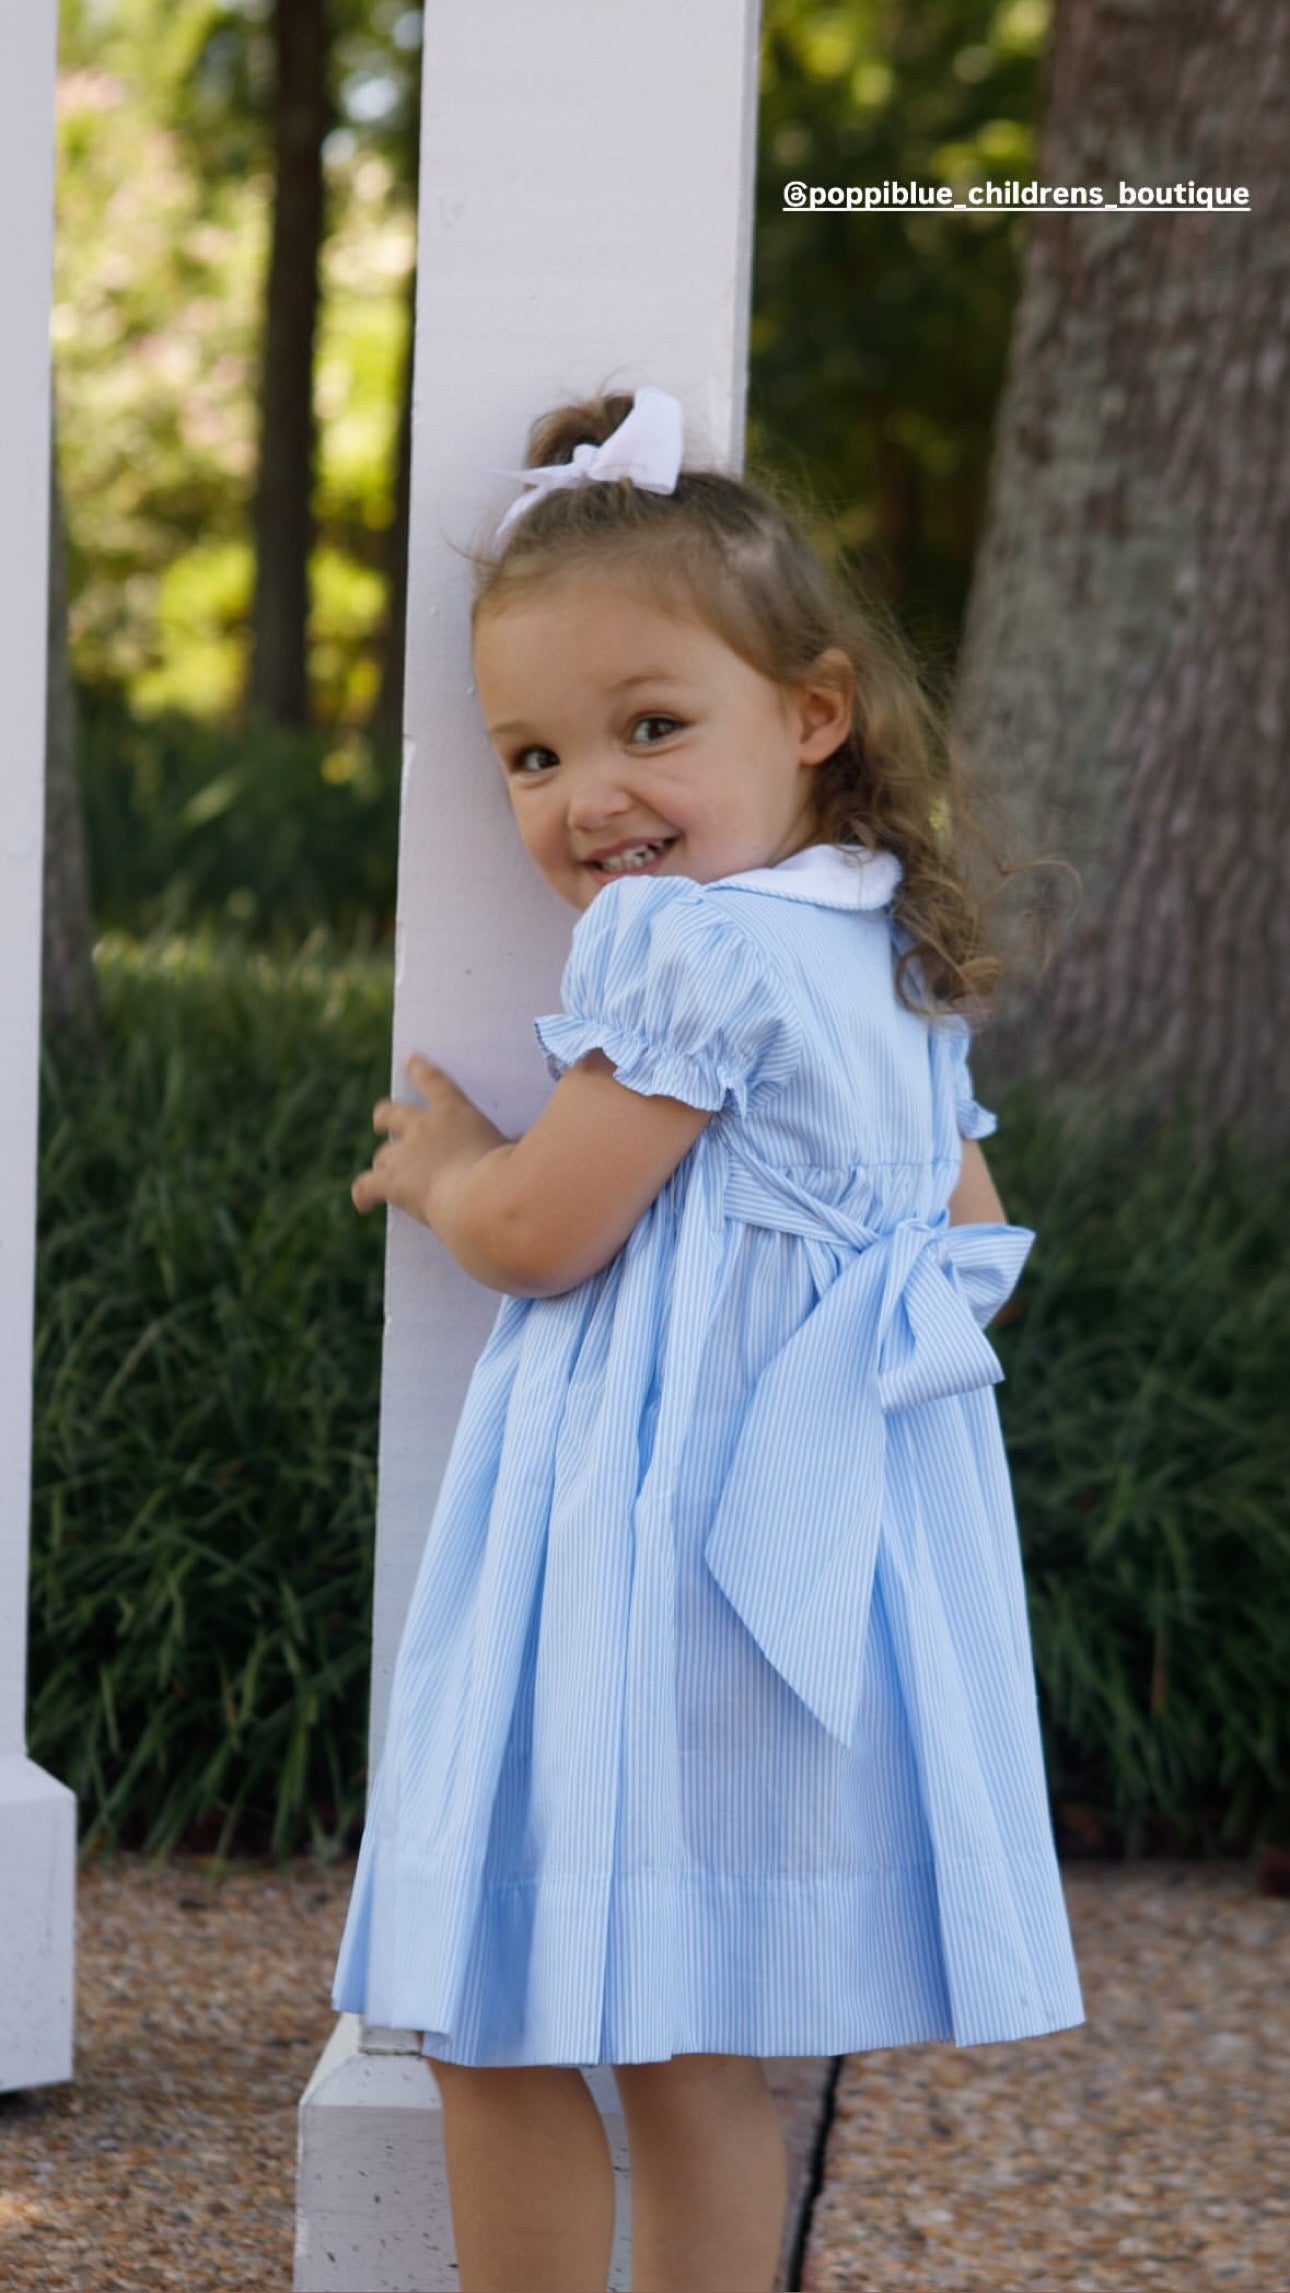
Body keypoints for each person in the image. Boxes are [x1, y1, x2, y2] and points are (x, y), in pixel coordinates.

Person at [330, 383, 1085, 2293]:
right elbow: (970, 1238)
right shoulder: (885, 959)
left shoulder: (687, 946)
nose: (587, 796)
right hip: (794, 1563)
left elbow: (541, 1233)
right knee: (689, 2045)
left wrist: (442, 1164)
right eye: (529, 753)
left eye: (648, 728)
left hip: (634, 1562)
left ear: (811, 716)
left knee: (495, 2014)